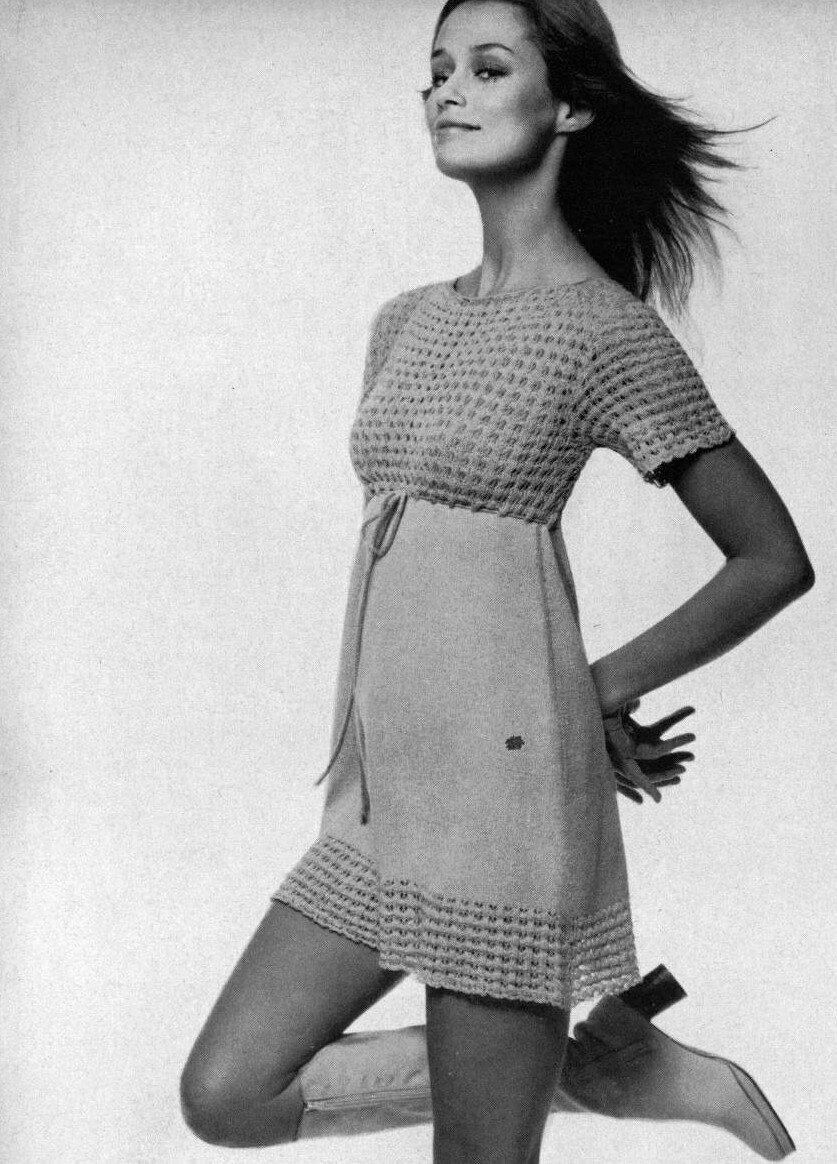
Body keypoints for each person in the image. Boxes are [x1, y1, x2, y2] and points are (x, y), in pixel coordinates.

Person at [179, 2, 814, 1161]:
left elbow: (772, 559)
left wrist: (591, 691)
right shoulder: (404, 323)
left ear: (568, 104)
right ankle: (601, 1068)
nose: (447, 92)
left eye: (485, 68)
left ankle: (569, 1072)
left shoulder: (605, 333)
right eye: (436, 71)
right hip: (380, 797)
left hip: (505, 812)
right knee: (227, 1094)